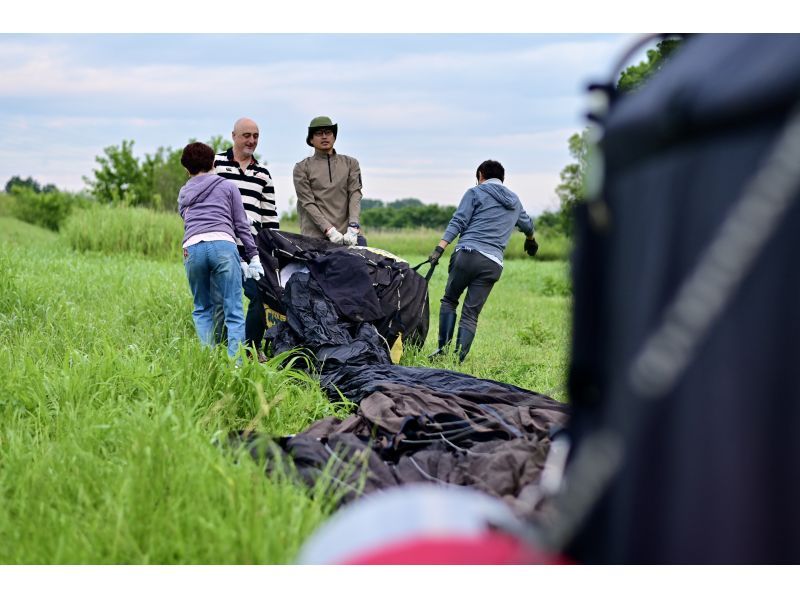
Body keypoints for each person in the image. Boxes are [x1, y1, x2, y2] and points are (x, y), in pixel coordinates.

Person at [428, 159, 538, 362]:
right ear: (502, 178)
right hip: (493, 263)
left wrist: (439, 248)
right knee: (471, 313)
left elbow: (459, 221)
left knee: (450, 300)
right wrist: (531, 240)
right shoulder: (515, 201)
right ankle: (458, 359)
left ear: (480, 175)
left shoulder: (475, 193)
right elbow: (528, 225)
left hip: (468, 254)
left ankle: (442, 349)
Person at [178, 142, 264, 359]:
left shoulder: (184, 191)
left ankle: (209, 361)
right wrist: (252, 256)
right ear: (214, 163)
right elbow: (241, 225)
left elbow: (187, 219)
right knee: (233, 310)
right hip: (223, 245)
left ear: (187, 169)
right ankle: (235, 364)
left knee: (202, 308)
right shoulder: (228, 186)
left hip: (192, 248)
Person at [213, 117, 278, 360]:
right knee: (220, 302)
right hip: (222, 245)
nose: (251, 140)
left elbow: (270, 216)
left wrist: (273, 251)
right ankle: (220, 350)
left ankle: (251, 347)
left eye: (256, 136)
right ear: (234, 136)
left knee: (260, 297)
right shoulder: (216, 164)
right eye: (246, 135)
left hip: (252, 251)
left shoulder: (263, 174)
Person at [293, 116, 366, 246]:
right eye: (319, 133)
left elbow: (355, 194)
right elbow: (308, 203)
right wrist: (329, 230)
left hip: (349, 235)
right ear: (311, 139)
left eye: (328, 132)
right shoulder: (302, 168)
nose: (324, 136)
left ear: (334, 136)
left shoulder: (351, 164)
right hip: (315, 237)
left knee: (367, 263)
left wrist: (353, 226)